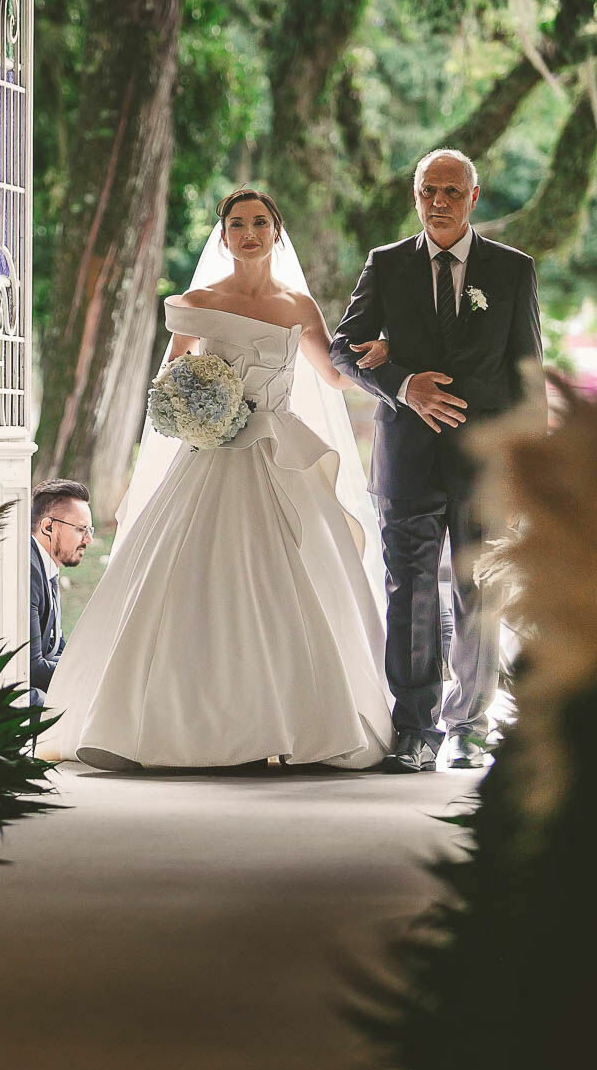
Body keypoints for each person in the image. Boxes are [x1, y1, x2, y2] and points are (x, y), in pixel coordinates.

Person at [38, 189, 394, 772]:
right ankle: (186, 723)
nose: (248, 233)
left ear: (277, 232)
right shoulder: (199, 301)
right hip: (213, 452)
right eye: (237, 224)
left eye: (259, 223)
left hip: (280, 452)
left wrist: (379, 357)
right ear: (223, 235)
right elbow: (173, 377)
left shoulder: (298, 304)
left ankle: (293, 722)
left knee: (297, 579)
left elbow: (332, 377)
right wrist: (201, 404)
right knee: (197, 578)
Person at [330, 148, 543, 773]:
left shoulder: (512, 270)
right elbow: (343, 348)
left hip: (487, 464)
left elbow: (528, 371)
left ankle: (470, 726)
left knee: (482, 595)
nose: (439, 202)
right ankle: (415, 729)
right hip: (408, 460)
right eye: (428, 191)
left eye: (452, 190)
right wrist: (401, 384)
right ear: (415, 196)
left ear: (473, 197)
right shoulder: (387, 265)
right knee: (412, 593)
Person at [29, 479, 93, 713]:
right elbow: (33, 669)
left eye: (89, 530)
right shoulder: (29, 571)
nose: (89, 540)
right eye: (80, 529)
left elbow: (56, 646)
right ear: (48, 526)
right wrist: (92, 679)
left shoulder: (46, 567)